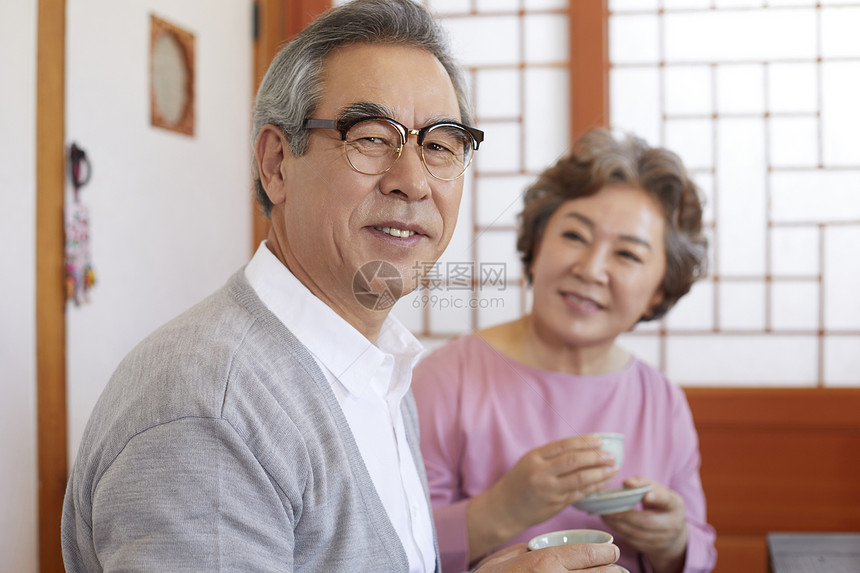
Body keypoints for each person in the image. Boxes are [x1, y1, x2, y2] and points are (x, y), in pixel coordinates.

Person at [60, 1, 623, 571]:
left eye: (439, 144)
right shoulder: (210, 406)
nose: (412, 181)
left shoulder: (376, 368)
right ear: (277, 164)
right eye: (372, 137)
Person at [413, 128, 718, 573]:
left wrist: (672, 542)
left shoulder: (662, 401)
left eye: (628, 255)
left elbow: (699, 552)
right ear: (536, 247)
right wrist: (502, 510)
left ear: (659, 290)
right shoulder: (446, 377)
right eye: (575, 236)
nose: (591, 269)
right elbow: (393, 544)